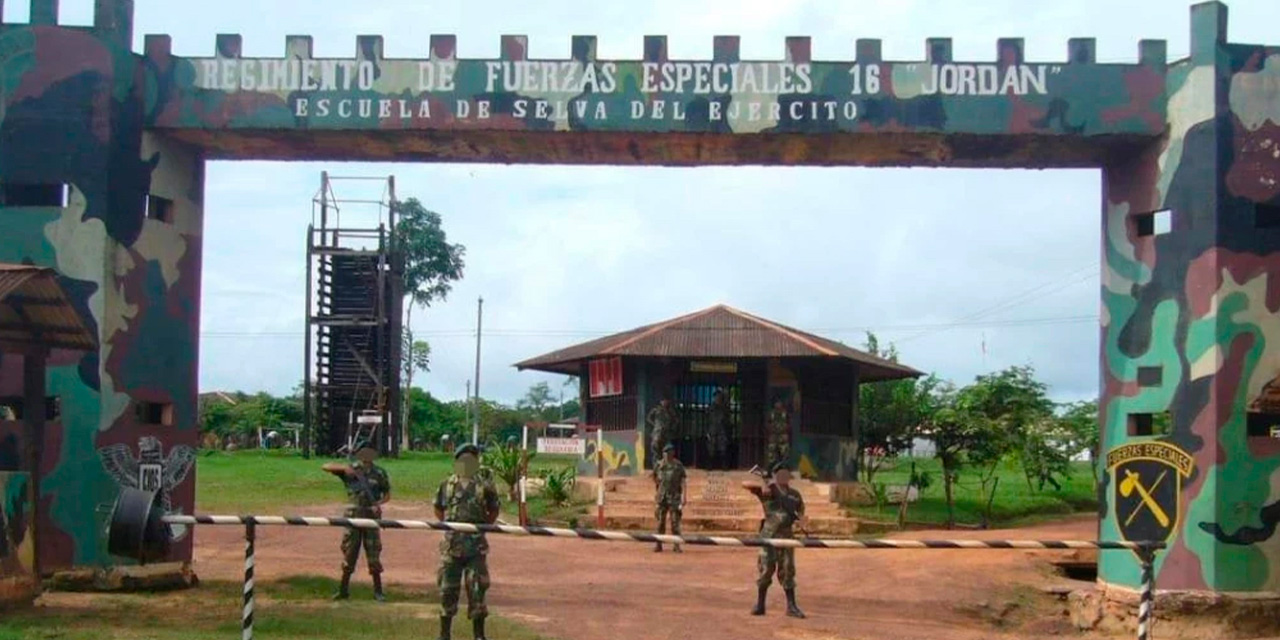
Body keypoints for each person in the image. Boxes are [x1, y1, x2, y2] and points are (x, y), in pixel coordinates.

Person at [433, 444, 501, 640]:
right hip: (452, 546)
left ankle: (479, 636)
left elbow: (494, 509)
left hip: (475, 547)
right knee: (447, 590)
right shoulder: (447, 484)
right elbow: (438, 508)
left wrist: (482, 528)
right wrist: (448, 526)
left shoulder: (485, 485)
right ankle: (444, 634)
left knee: (477, 590)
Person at [321, 440, 391, 602]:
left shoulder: (379, 473)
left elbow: (387, 495)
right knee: (349, 553)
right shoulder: (351, 470)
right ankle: (343, 590)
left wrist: (378, 504)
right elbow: (325, 466)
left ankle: (378, 591)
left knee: (373, 554)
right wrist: (345, 469)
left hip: (370, 518)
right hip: (352, 518)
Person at [742, 461, 807, 619]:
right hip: (768, 538)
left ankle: (791, 606)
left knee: (788, 571)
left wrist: (803, 525)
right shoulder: (768, 491)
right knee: (765, 570)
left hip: (787, 538)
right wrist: (765, 483)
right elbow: (745, 483)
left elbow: (802, 514)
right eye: (779, 474)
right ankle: (760, 605)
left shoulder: (795, 495)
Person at [651, 443, 687, 553]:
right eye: (664, 453)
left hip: (674, 497)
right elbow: (654, 476)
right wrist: (658, 489)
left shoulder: (678, 466)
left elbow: (683, 481)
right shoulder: (659, 465)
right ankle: (658, 544)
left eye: (667, 452)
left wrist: (684, 496)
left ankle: (676, 545)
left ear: (672, 453)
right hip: (662, 497)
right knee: (660, 522)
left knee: (675, 522)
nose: (665, 455)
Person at [646, 398, 676, 467]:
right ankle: (656, 468)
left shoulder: (670, 411)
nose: (665, 402)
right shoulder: (656, 410)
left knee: (667, 450)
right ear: (661, 401)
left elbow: (675, 420)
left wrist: (671, 427)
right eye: (663, 401)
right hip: (657, 432)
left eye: (666, 401)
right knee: (656, 450)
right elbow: (649, 418)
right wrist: (655, 425)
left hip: (666, 433)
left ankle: (666, 466)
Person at [707, 388, 730, 470]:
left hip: (722, 430)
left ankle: (724, 466)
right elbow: (707, 420)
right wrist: (707, 431)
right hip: (712, 430)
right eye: (716, 397)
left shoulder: (724, 408)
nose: (717, 398)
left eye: (719, 397)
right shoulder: (711, 408)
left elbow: (727, 421)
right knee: (711, 449)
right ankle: (710, 466)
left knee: (723, 448)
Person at [766, 400, 791, 470]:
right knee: (771, 454)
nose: (778, 405)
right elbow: (768, 424)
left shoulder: (785, 414)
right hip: (773, 436)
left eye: (779, 403)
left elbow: (789, 424)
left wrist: (784, 429)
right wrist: (772, 429)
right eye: (777, 403)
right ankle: (771, 469)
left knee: (785, 454)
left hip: (783, 436)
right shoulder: (771, 414)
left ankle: (784, 469)